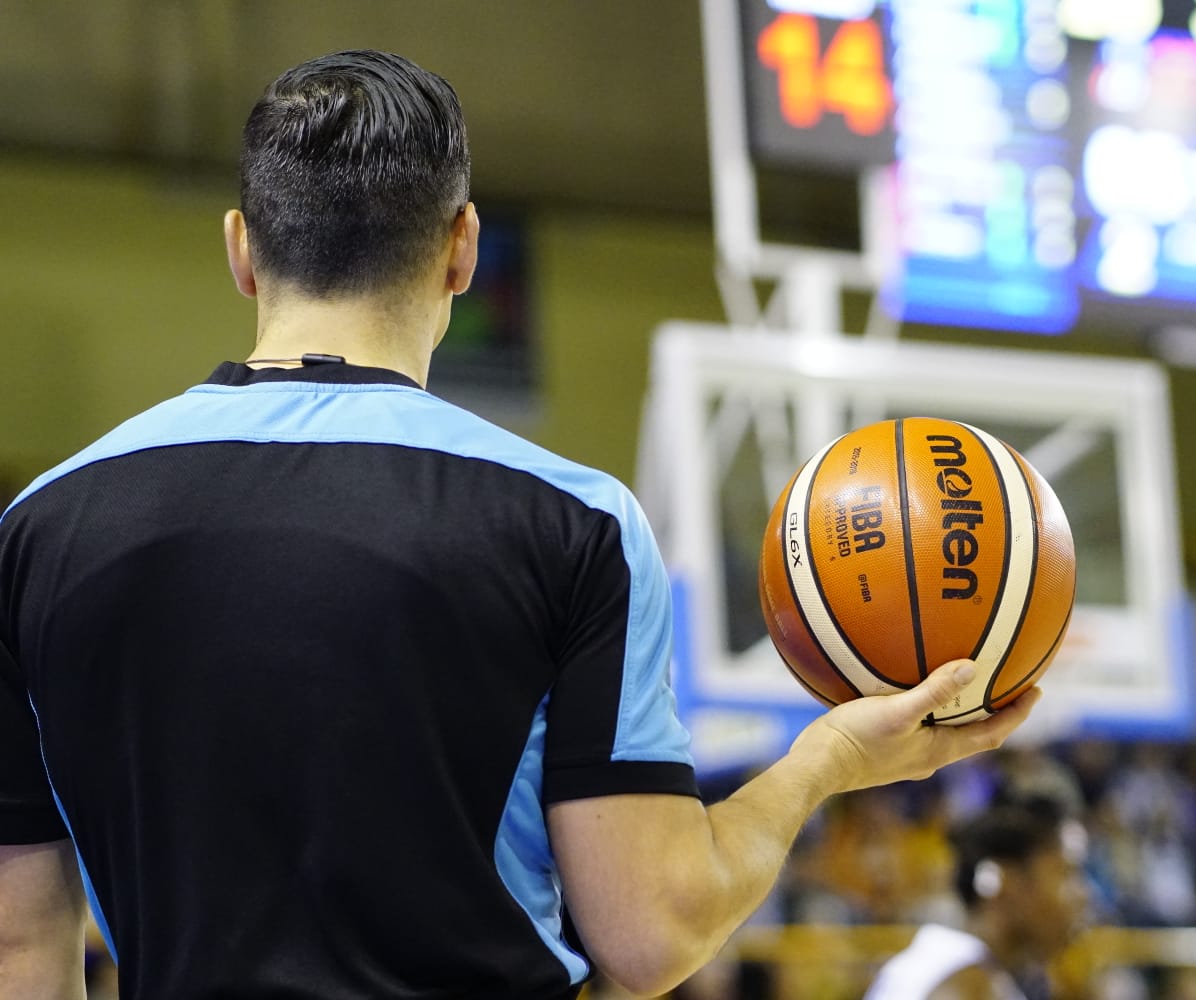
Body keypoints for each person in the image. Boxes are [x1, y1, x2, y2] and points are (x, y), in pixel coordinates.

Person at [0, 50, 1041, 1000]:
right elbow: (649, 930)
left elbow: (20, 952)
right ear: (462, 250)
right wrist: (828, 762)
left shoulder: (39, 527)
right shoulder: (572, 520)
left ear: (241, 249)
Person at [863, 796, 1088, 1000]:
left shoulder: (975, 973)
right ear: (1005, 882)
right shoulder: (961, 982)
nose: (1084, 895)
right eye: (1066, 874)